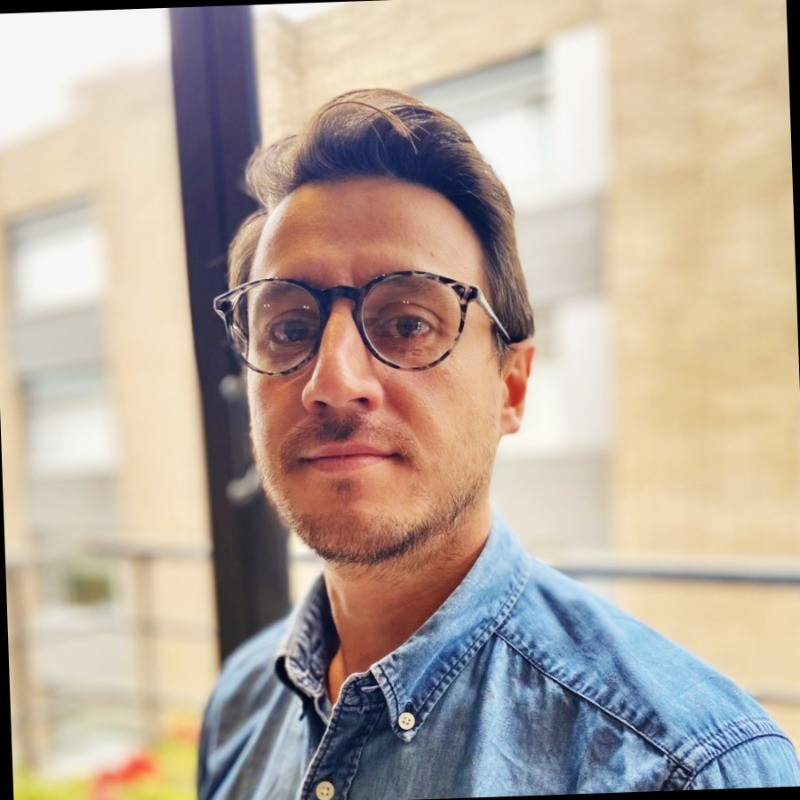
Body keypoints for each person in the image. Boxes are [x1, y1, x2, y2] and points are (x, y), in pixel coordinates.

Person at [197, 89, 800, 799]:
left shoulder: (686, 767)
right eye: (290, 329)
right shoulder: (239, 702)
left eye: (407, 323)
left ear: (510, 388)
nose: (332, 382)